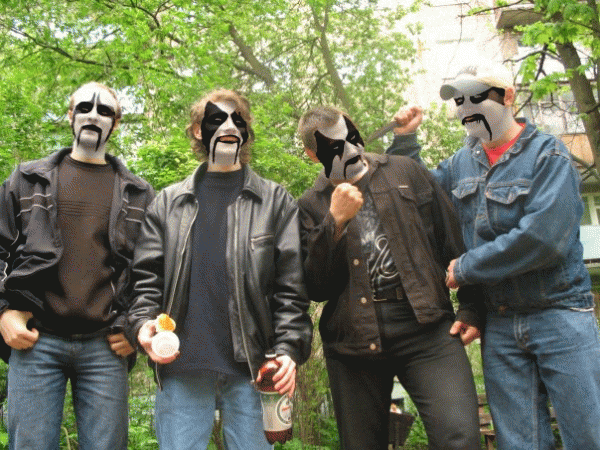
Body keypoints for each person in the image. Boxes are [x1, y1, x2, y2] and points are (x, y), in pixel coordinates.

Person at [386, 61, 600, 450]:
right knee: (519, 443)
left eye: (476, 97)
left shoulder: (548, 154)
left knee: (588, 435)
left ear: (508, 96)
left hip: (560, 313)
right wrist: (405, 140)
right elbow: (419, 197)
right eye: (459, 101)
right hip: (500, 323)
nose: (467, 109)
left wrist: (466, 268)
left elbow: (543, 239)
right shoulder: (460, 163)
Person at [127, 88, 312, 450]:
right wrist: (143, 326)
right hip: (180, 368)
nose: (228, 125)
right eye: (217, 119)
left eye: (236, 119)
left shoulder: (276, 202)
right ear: (199, 130)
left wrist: (288, 348)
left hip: (255, 370)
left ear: (246, 130)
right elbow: (146, 283)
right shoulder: (167, 204)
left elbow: (291, 290)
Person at [297, 106, 483, 450]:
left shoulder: (405, 171)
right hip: (353, 342)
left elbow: (453, 242)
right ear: (313, 155)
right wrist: (334, 223)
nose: (348, 147)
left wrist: (472, 307)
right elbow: (317, 288)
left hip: (427, 329)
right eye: (333, 145)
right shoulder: (310, 204)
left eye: (350, 135)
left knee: (459, 437)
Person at [0, 82, 154, 450]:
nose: (93, 115)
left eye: (104, 111)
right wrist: (3, 311)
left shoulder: (139, 194)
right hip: (36, 341)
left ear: (116, 123)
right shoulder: (26, 181)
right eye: (85, 107)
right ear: (70, 115)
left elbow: (150, 271)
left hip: (107, 345)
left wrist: (134, 327)